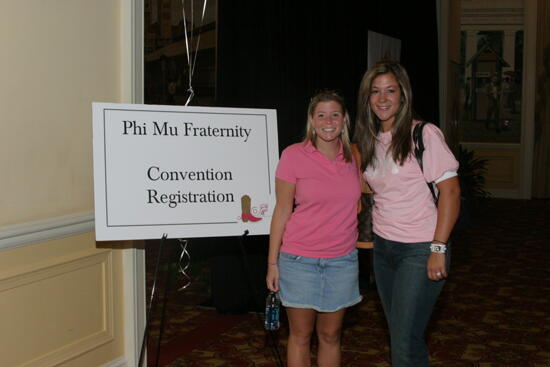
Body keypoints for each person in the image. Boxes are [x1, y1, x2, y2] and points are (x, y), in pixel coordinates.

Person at [354, 62, 461, 367]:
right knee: (402, 335)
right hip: (384, 248)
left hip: (420, 248)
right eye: (375, 91)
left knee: (403, 341)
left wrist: (438, 248)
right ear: (367, 98)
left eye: (390, 90)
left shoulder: (423, 135)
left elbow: (451, 193)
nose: (382, 98)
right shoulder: (370, 140)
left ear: (403, 95)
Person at [266, 90, 362, 367]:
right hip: (299, 261)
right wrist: (273, 262)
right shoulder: (293, 155)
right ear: (312, 119)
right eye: (321, 115)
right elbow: (282, 210)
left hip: (342, 261)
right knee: (300, 335)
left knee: (331, 335)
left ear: (344, 120)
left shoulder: (354, 156)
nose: (328, 121)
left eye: (335, 114)